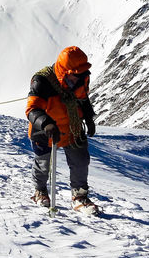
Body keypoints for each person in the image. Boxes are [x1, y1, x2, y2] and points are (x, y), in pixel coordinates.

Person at [25, 46, 99, 214]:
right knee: (43, 163)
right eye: (76, 74)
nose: (79, 77)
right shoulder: (42, 81)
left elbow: (83, 98)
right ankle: (40, 191)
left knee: (80, 160)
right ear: (65, 71)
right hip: (45, 131)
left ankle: (79, 196)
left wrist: (89, 117)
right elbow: (32, 109)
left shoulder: (78, 78)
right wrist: (46, 123)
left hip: (72, 127)